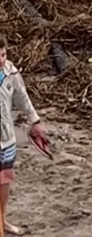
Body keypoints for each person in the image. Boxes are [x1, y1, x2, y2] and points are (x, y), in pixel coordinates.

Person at [0, 37, 45, 236]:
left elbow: (22, 98)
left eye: (3, 55)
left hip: (6, 138)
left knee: (4, 181)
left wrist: (35, 122)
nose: (1, 60)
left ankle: (2, 220)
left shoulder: (10, 72)